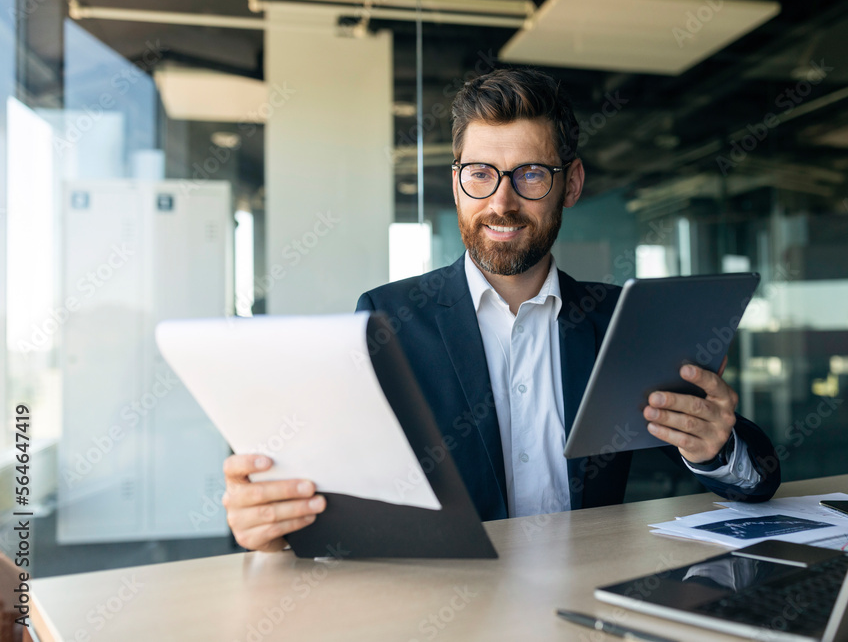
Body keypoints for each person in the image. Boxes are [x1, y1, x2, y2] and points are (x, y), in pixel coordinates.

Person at [221, 67, 781, 552]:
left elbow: (753, 483)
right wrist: (277, 525)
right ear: (458, 182)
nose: (501, 202)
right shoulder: (387, 319)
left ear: (572, 183)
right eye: (481, 174)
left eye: (531, 174)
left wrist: (715, 448)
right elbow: (345, 483)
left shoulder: (620, 321)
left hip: (593, 597)